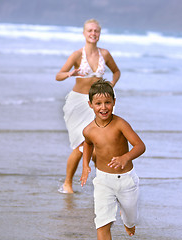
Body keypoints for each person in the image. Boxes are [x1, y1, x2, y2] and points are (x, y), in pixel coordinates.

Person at [56, 19, 120, 193]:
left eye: (96, 31)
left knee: (97, 146)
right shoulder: (77, 55)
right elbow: (58, 75)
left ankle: (104, 182)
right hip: (77, 104)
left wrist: (111, 85)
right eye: (90, 30)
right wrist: (70, 73)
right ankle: (67, 183)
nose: (93, 33)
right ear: (84, 33)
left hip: (97, 104)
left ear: (99, 33)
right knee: (80, 145)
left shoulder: (104, 54)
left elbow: (116, 71)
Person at [80, 80, 146, 239]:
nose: (103, 107)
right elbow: (88, 144)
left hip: (125, 180)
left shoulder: (120, 124)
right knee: (102, 223)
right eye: (98, 103)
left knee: (131, 218)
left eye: (107, 102)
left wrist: (126, 157)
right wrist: (85, 166)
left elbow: (140, 146)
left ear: (114, 102)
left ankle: (128, 222)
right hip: (103, 180)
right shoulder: (88, 130)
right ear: (90, 105)